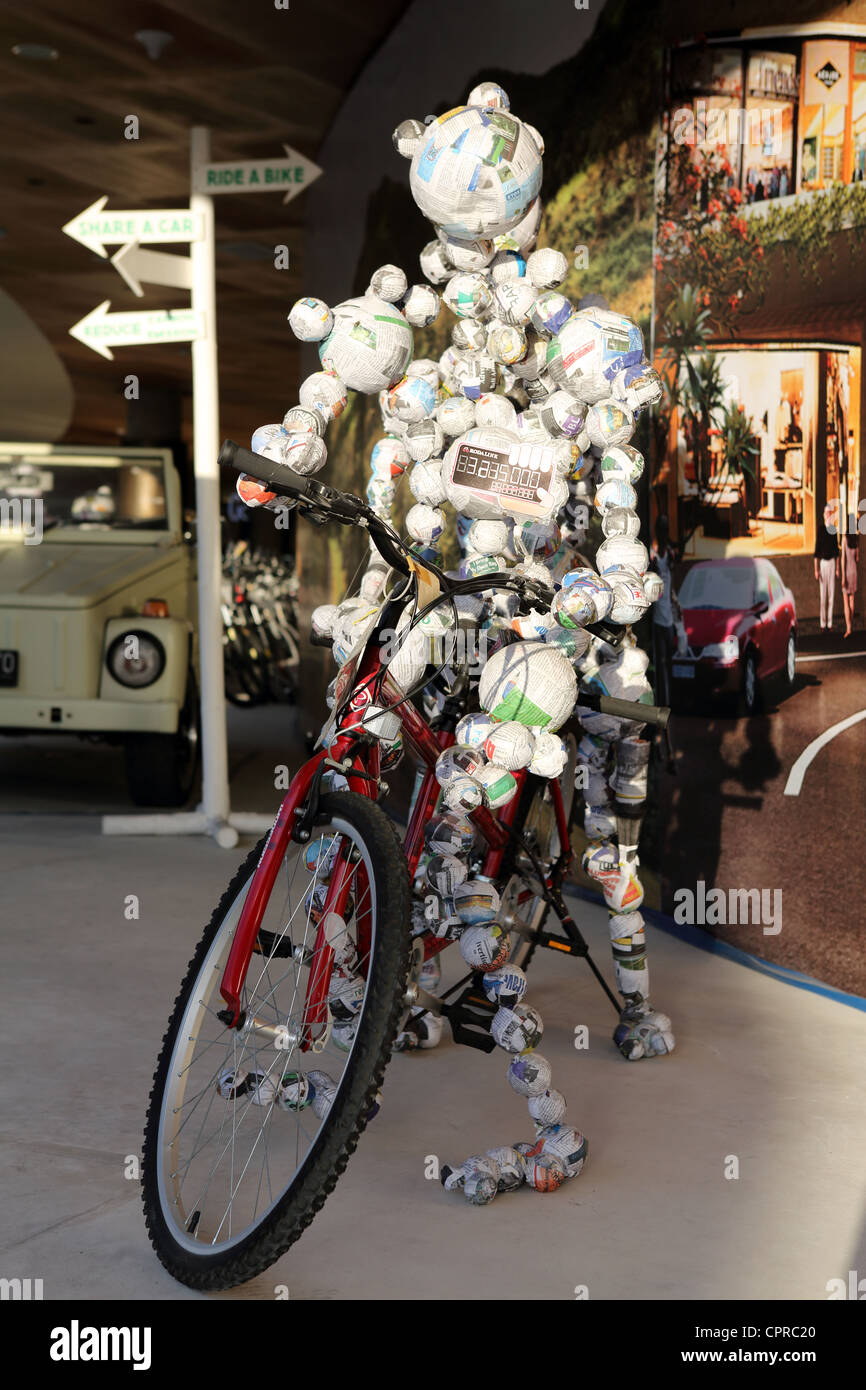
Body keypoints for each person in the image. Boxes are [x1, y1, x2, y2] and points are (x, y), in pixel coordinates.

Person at [649, 514, 679, 770]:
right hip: (658, 625)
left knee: (665, 678)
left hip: (666, 623)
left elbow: (670, 591)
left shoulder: (667, 557)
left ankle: (664, 732)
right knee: (660, 679)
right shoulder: (655, 557)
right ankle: (661, 739)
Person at [814, 503, 840, 631]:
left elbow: (837, 550)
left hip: (832, 563)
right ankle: (822, 623)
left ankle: (829, 623)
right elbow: (816, 551)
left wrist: (837, 569)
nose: (828, 514)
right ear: (824, 515)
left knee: (831, 595)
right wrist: (816, 569)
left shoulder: (834, 530)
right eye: (827, 513)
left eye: (830, 513)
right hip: (823, 563)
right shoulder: (820, 529)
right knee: (823, 596)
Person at [841, 524, 859, 638]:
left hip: (847, 571)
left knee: (846, 602)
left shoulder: (844, 538)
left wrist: (843, 576)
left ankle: (848, 628)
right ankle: (850, 624)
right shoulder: (856, 540)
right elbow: (857, 558)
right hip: (854, 571)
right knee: (852, 600)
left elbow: (843, 558)